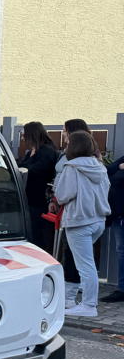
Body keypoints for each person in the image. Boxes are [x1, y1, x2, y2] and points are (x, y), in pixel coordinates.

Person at [54, 131, 110, 318]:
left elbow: (63, 195)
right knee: (88, 264)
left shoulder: (72, 168)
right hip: (98, 220)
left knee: (85, 266)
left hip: (79, 221)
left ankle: (88, 305)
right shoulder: (100, 167)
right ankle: (84, 302)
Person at [17, 121, 58, 253]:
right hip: (29, 197)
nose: (23, 138)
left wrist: (23, 167)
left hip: (39, 198)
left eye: (25, 134)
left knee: (38, 233)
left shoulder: (47, 151)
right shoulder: (31, 152)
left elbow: (37, 170)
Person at [104, 151, 124, 304]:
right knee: (121, 252)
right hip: (118, 214)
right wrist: (120, 168)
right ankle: (121, 289)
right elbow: (108, 170)